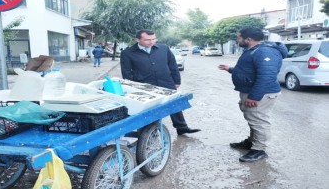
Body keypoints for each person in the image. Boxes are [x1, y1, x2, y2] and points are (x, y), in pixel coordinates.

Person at [218, 27, 288, 162]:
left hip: (261, 94)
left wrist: (254, 96)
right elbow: (249, 71)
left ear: (248, 39)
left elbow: (267, 76)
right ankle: (252, 142)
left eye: (238, 37)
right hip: (252, 91)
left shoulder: (265, 51)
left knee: (258, 120)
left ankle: (259, 149)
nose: (237, 40)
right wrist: (231, 69)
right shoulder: (254, 50)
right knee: (253, 119)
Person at [121, 29, 201, 136]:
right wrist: (133, 88)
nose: (151, 42)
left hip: (166, 82)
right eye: (147, 40)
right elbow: (126, 73)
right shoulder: (128, 53)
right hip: (144, 86)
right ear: (137, 39)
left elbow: (173, 65)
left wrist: (177, 81)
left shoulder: (164, 49)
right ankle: (150, 133)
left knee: (174, 105)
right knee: (150, 110)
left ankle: (182, 127)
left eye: (153, 39)